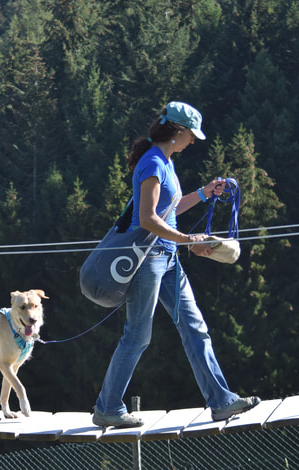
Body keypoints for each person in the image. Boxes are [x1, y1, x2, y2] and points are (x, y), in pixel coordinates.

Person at [91, 101, 260, 428]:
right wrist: (187, 241)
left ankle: (222, 401)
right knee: (137, 336)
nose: (193, 141)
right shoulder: (153, 163)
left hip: (167, 258)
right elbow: (148, 218)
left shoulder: (165, 162)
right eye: (191, 135)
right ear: (177, 131)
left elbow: (170, 209)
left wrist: (204, 192)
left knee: (194, 326)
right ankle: (108, 407)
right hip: (149, 261)